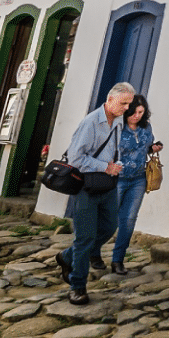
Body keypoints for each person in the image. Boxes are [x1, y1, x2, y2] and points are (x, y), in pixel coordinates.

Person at [55, 82, 134, 304]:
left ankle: (66, 256)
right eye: (123, 103)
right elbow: (75, 158)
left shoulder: (118, 121)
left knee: (109, 227)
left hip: (107, 185)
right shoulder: (90, 123)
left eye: (129, 104)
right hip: (86, 187)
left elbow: (112, 150)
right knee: (85, 237)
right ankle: (77, 286)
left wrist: (116, 164)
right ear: (109, 100)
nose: (126, 108)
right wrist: (104, 167)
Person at [106, 95, 162, 274]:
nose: (137, 116)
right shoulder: (117, 127)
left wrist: (153, 148)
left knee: (128, 220)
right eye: (134, 112)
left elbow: (145, 147)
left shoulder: (146, 127)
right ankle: (90, 253)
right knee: (108, 219)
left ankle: (118, 260)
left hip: (138, 178)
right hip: (117, 178)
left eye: (141, 112)